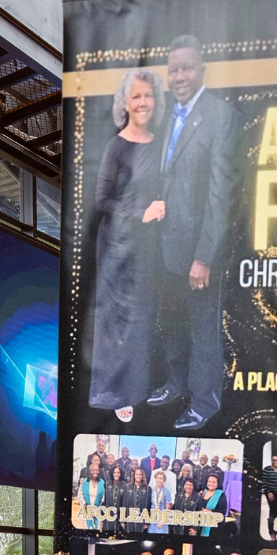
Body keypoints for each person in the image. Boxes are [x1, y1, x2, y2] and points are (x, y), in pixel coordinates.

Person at [145, 35, 239, 430]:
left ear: (202, 71)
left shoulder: (221, 116)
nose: (179, 76)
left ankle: (205, 402)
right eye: (174, 70)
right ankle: (176, 383)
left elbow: (222, 194)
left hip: (200, 252)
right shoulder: (165, 115)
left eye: (187, 68)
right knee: (170, 320)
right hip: (163, 245)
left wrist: (204, 256)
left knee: (203, 330)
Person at [89, 68, 168, 422]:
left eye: (148, 95)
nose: (143, 102)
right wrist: (142, 213)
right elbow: (101, 199)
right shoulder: (116, 147)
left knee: (143, 319)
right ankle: (113, 392)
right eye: (136, 96)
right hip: (117, 249)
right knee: (116, 320)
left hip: (149, 249)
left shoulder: (164, 143)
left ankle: (135, 390)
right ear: (125, 102)